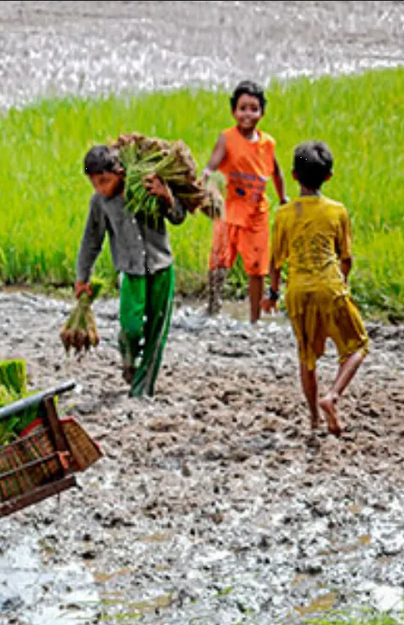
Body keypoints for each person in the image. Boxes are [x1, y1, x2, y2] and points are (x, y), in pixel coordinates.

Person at [263, 141, 368, 436]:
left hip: (297, 293)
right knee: (358, 345)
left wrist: (271, 294)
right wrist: (342, 283)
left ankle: (312, 419)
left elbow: (275, 264)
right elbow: (346, 258)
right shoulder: (337, 211)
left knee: (306, 357)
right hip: (330, 287)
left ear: (294, 176)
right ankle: (332, 396)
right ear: (329, 177)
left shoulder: (284, 214)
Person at [75, 144, 187, 398]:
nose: (100, 188)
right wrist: (82, 278)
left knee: (156, 333)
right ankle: (128, 359)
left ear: (121, 172)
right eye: (94, 183)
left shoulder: (146, 188)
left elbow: (179, 217)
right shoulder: (101, 203)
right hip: (131, 271)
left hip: (161, 267)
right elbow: (91, 240)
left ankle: (142, 390)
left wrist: (166, 195)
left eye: (104, 181)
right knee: (130, 327)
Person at [202, 80, 289, 321]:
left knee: (257, 269)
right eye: (242, 108)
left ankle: (254, 319)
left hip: (255, 215)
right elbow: (212, 164)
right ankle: (212, 309)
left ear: (262, 112)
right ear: (233, 112)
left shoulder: (267, 143)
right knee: (218, 263)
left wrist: (283, 198)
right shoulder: (227, 138)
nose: (247, 114)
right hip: (228, 211)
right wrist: (205, 178)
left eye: (253, 108)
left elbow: (277, 172)